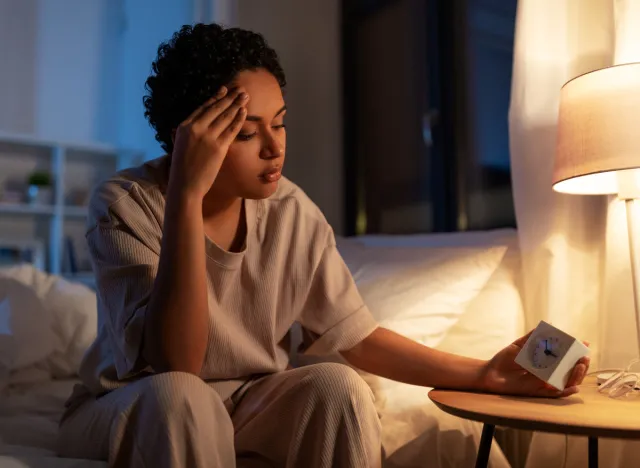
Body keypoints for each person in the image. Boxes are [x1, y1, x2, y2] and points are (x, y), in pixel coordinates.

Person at [56, 23, 589, 468]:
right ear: (190, 137)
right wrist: (188, 197)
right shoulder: (127, 204)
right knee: (181, 397)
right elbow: (178, 361)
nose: (275, 147)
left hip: (244, 402)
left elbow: (357, 337)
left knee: (337, 385)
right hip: (133, 403)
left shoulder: (291, 212)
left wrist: (484, 373)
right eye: (246, 133)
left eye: (281, 123)